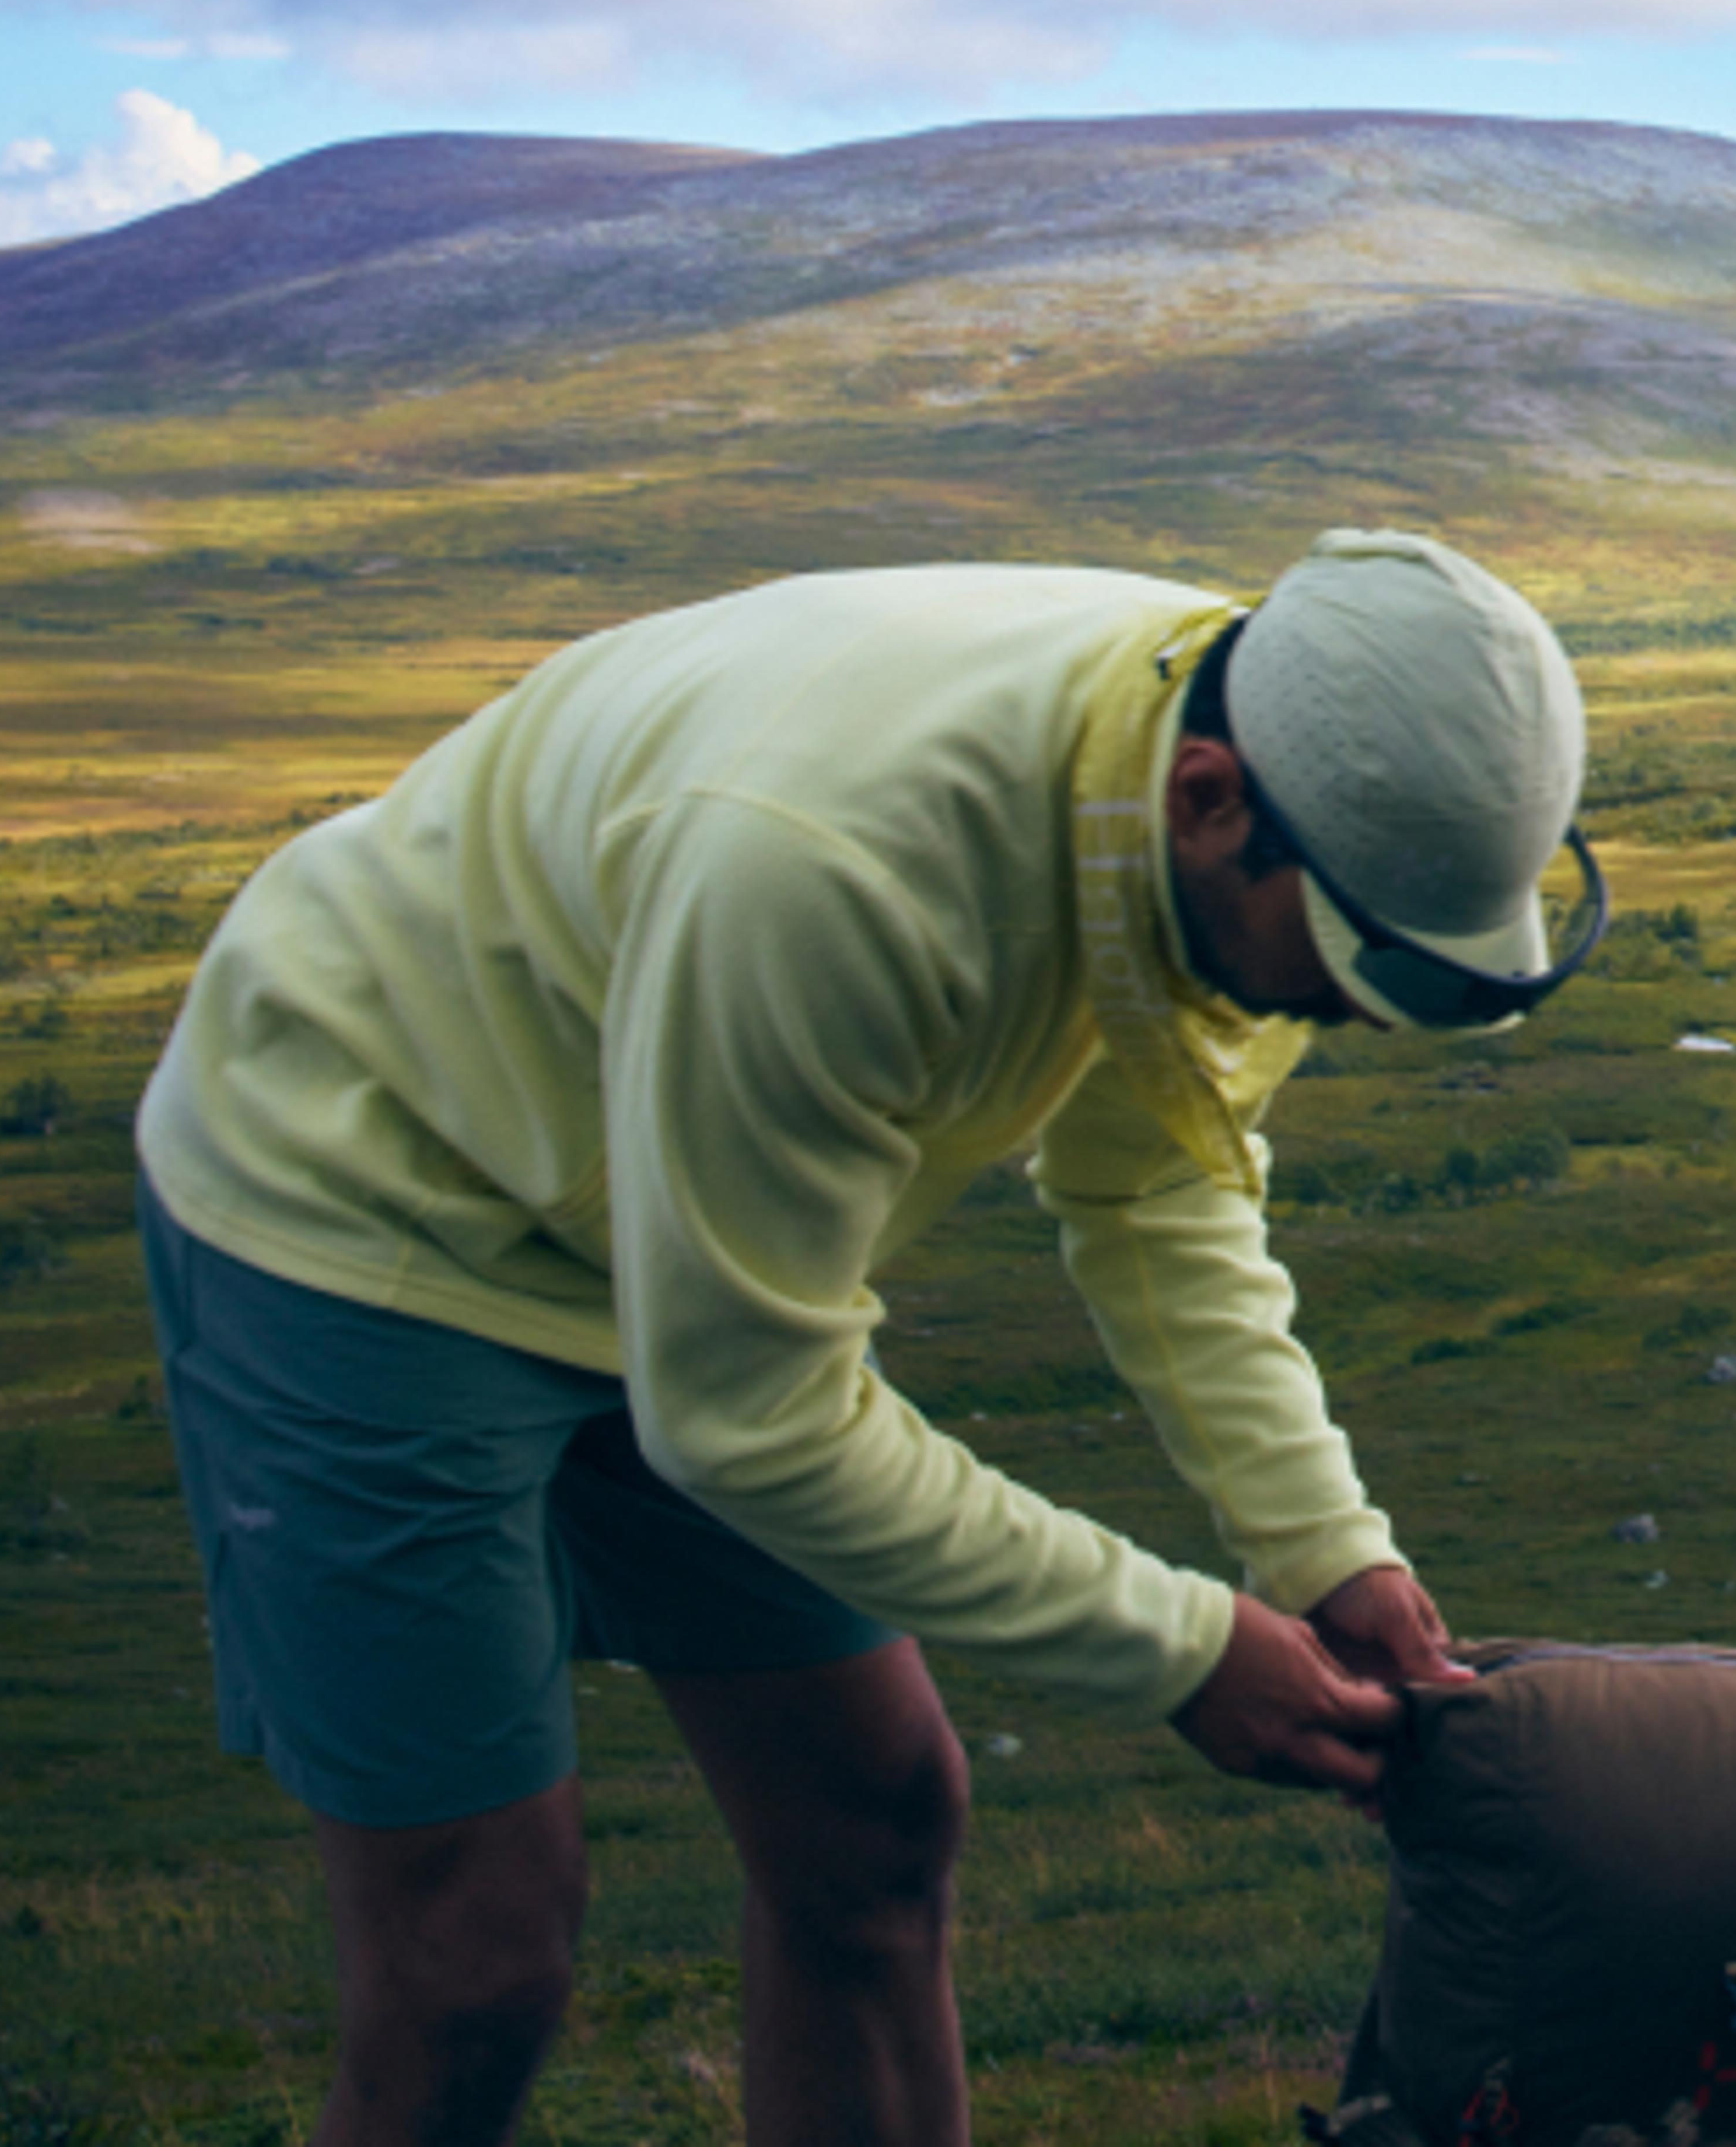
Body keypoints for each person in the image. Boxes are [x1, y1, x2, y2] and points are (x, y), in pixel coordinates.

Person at [135, 526, 1602, 2146]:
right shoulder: (838, 863)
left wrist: (1324, 1550)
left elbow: (1158, 1187)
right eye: (1350, 965)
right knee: (474, 1948)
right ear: (1207, 803)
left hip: (672, 1230)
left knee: (876, 1826)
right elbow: (750, 1417)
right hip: (368, 1202)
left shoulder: (1245, 751)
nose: (1350, 1013)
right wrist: (1184, 1652)